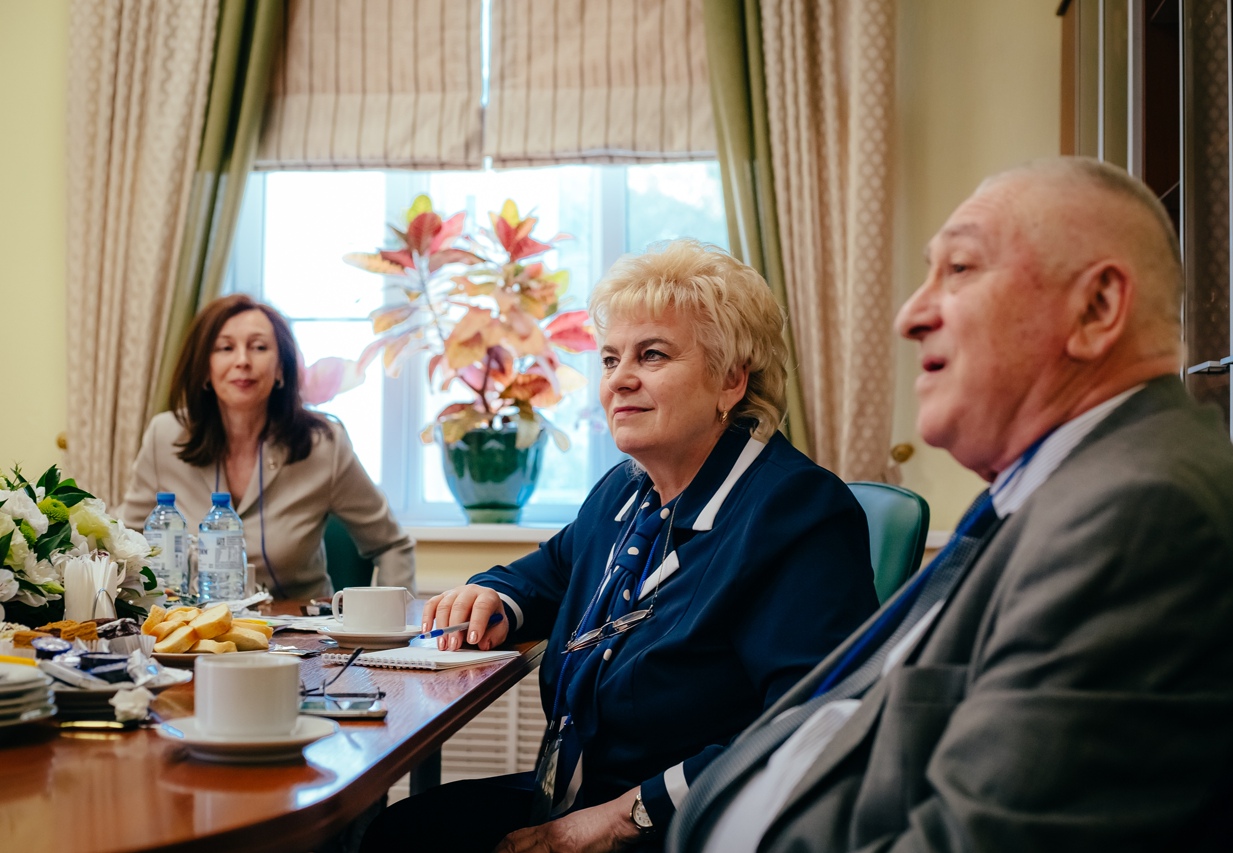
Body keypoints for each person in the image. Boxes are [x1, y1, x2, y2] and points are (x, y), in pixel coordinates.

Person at [669, 158, 1233, 852]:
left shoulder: (1144, 517)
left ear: (1096, 309)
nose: (909, 315)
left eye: (959, 268)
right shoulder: (1063, 490)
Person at [360, 239, 878, 853]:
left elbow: (808, 725)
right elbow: (548, 573)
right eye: (610, 360)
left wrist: (614, 821)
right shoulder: (626, 491)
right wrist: (491, 593)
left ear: (731, 380)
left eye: (652, 355)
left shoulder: (795, 511)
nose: (620, 380)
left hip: (679, 825)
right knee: (398, 830)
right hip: (570, 795)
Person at [118, 294, 415, 600]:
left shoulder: (324, 445)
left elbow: (392, 545)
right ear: (205, 367)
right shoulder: (165, 436)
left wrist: (389, 621)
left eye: (259, 347)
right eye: (225, 348)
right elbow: (122, 540)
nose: (242, 361)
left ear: (281, 369)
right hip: (194, 623)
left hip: (300, 626)